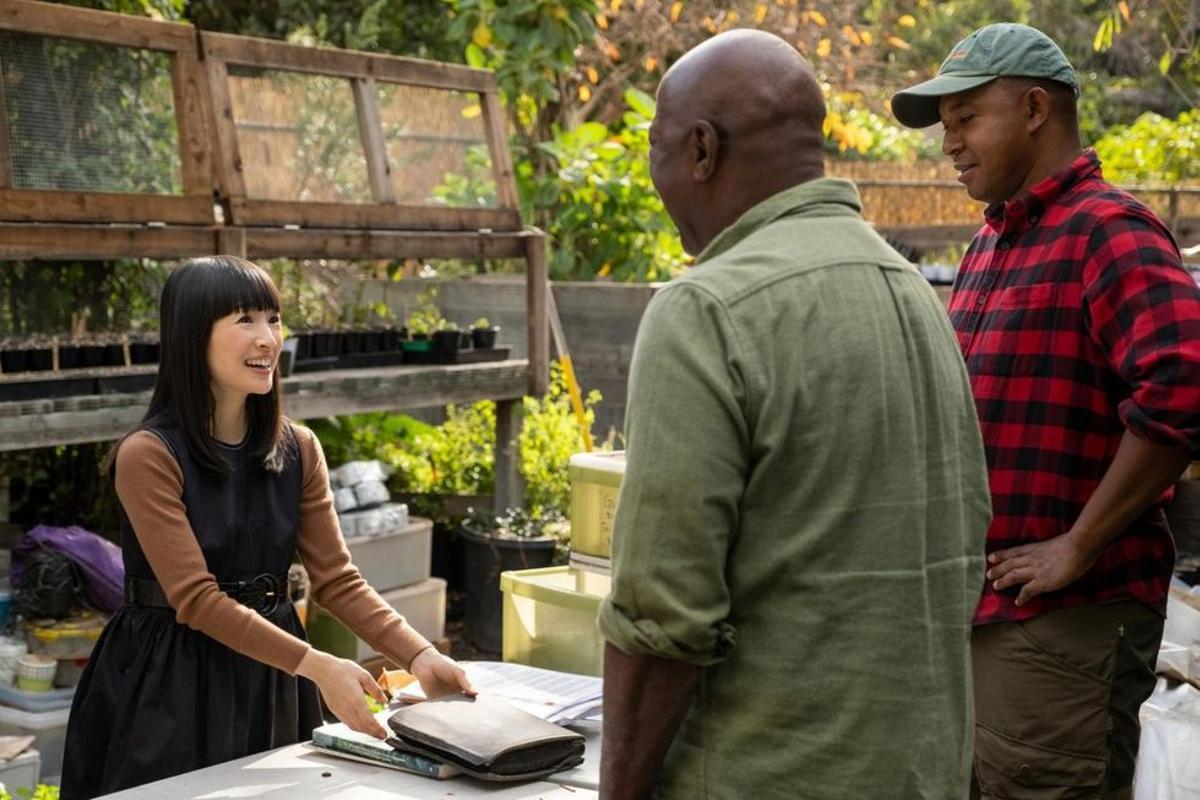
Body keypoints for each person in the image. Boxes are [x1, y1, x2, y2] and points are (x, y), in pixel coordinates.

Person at [596, 29, 992, 800]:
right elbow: (960, 536)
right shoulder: (913, 293)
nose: (656, 179)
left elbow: (661, 624)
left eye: (658, 150)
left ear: (702, 150)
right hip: (923, 772)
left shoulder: (705, 310)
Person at [891, 23, 1200, 799]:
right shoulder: (990, 246)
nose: (949, 145)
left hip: (1068, 622)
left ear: (1034, 108)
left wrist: (1079, 542)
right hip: (987, 616)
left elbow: (1186, 384)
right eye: (945, 128)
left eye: (965, 119)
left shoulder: (1110, 231)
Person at [61, 256, 473, 798]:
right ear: (191, 337)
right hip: (169, 680)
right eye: (244, 320)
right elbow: (197, 600)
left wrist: (420, 656)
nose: (268, 339)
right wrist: (317, 665)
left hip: (271, 675)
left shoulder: (298, 448)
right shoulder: (149, 456)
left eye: (273, 319)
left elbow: (338, 581)